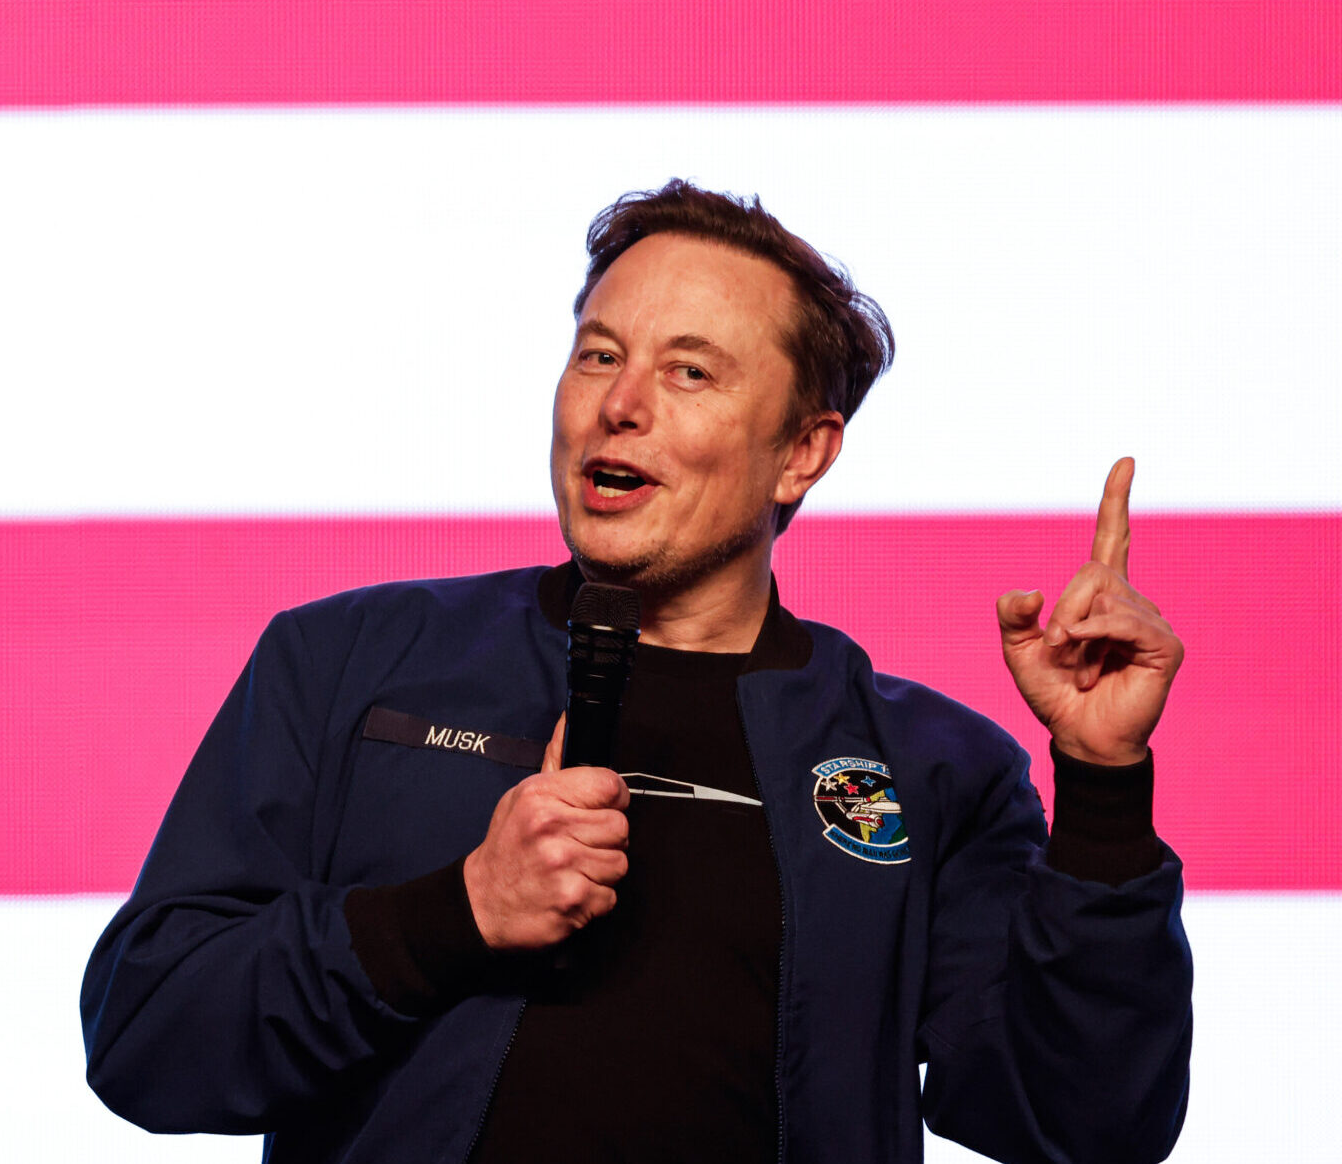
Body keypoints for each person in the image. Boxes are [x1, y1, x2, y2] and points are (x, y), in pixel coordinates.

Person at [80, 182, 1192, 1164]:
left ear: (802, 452)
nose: (621, 403)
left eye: (689, 371)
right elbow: (149, 1032)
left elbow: (1083, 1123)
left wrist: (1102, 786)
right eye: (599, 354)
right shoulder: (348, 661)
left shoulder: (931, 767)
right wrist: (457, 911)